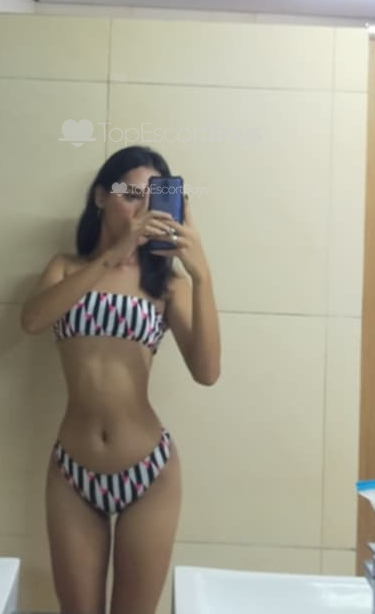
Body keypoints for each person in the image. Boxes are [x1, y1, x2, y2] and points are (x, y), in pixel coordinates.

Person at [21, 145, 221, 614]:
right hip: (72, 469)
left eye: (151, 199)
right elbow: (32, 321)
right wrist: (114, 254)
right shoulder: (66, 268)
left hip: (148, 470)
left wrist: (202, 275)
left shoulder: (167, 285)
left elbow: (207, 372)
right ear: (100, 197)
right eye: (130, 195)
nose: (140, 209)